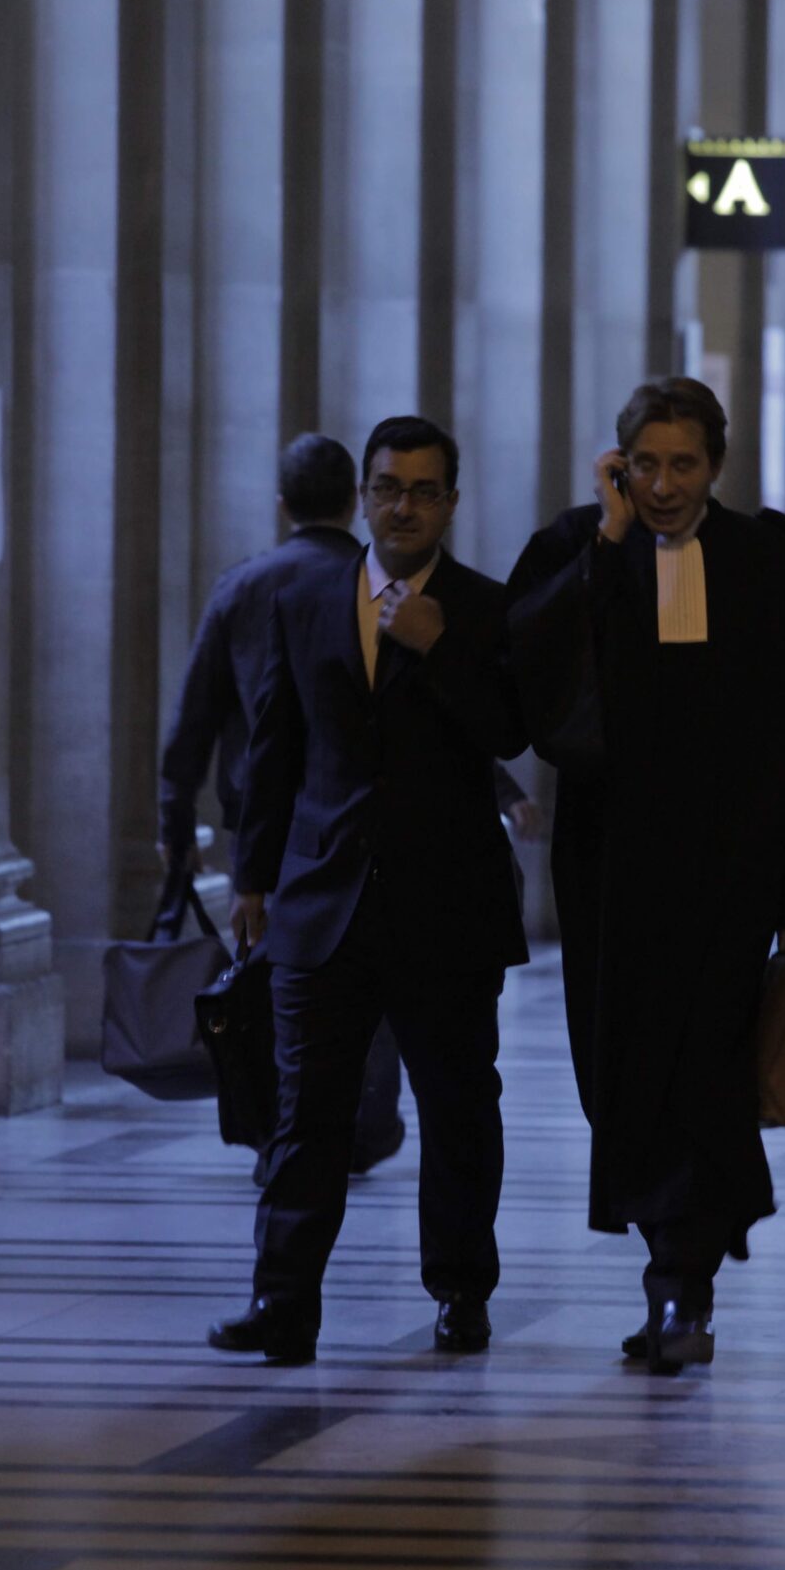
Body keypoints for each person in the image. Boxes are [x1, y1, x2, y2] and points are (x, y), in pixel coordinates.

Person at [505, 377, 785, 1374]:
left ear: (715, 466)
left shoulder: (770, 565)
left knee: (706, 1077)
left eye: (683, 465)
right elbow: (525, 689)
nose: (664, 485)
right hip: (609, 871)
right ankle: (674, 1265)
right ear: (618, 465)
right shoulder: (578, 550)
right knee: (617, 1078)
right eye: (645, 464)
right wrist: (606, 544)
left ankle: (680, 1286)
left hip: (730, 872)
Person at [208, 416, 529, 1365]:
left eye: (424, 491)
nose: (404, 507)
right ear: (362, 497)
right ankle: (282, 1303)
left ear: (451, 503)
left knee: (458, 1109)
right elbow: (274, 745)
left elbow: (511, 731)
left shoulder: (484, 607)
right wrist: (252, 875)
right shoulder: (305, 598)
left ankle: (461, 1292)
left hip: (447, 906)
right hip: (323, 899)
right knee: (305, 1111)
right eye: (388, 488)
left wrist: (441, 648)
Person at [155, 434, 406, 1180]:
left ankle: (281, 1131)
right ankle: (365, 1120)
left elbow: (195, 717)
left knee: (273, 982)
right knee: (372, 974)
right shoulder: (381, 586)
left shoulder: (241, 586)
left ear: (282, 504)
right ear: (355, 500)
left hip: (265, 828)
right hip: (360, 819)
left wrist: (176, 821)